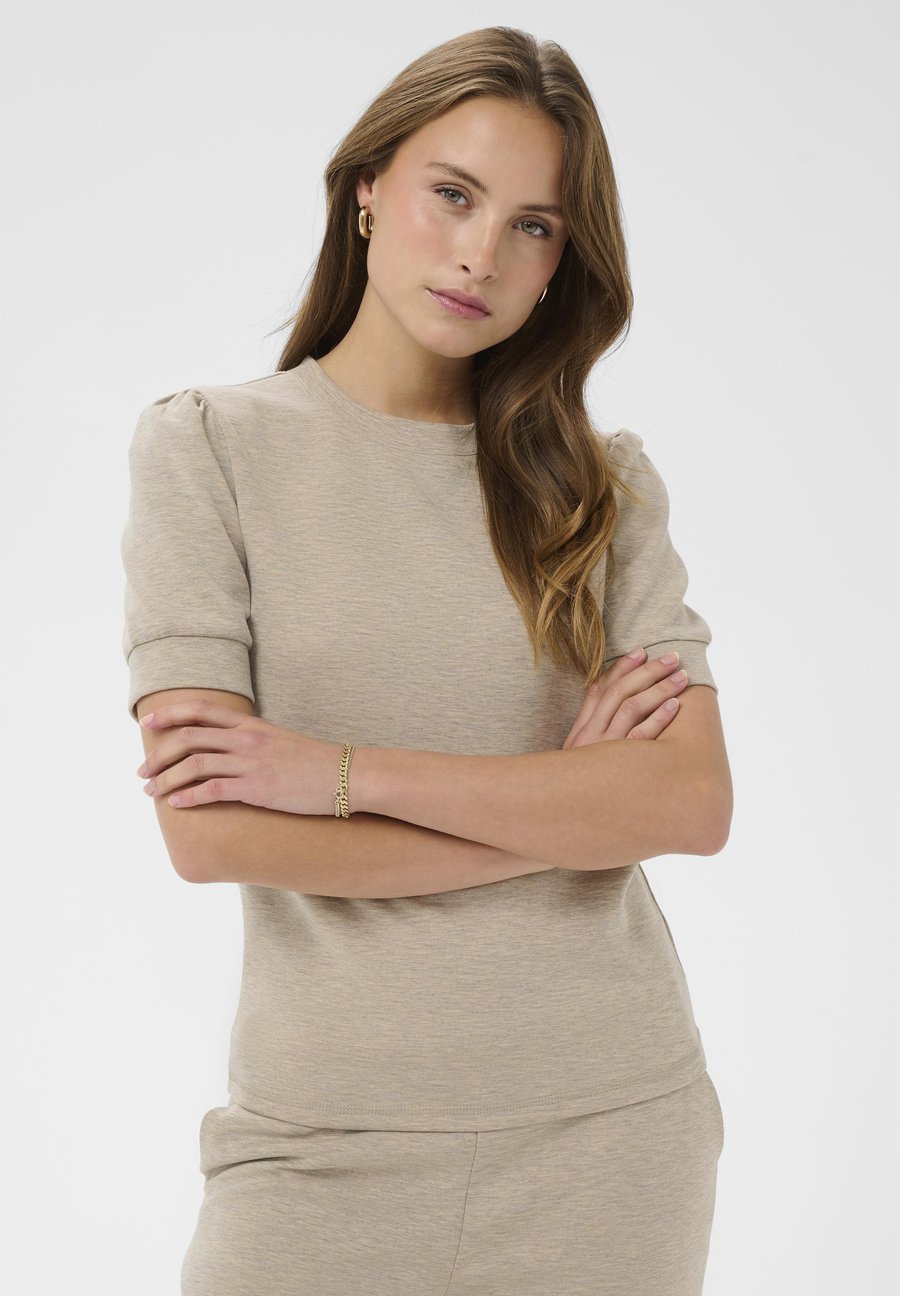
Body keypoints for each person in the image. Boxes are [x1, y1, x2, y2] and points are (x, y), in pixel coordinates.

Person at [121, 25, 733, 1296]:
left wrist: (335, 773)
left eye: (533, 226)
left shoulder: (601, 489)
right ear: (366, 187)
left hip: (610, 1131)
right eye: (453, 194)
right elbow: (211, 833)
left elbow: (688, 803)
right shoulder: (209, 450)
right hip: (318, 1144)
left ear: (563, 262)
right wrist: (569, 814)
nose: (480, 253)